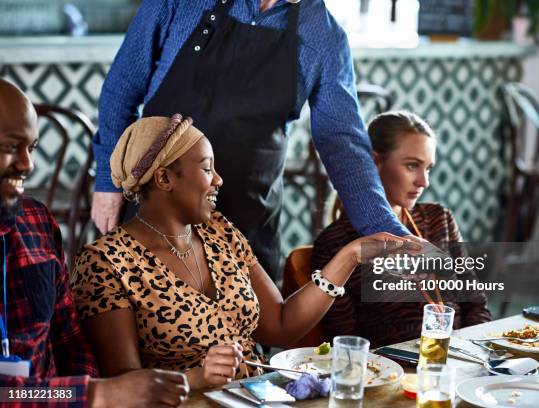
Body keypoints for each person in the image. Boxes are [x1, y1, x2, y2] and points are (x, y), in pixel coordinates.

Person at [72, 115, 417, 389]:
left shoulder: (219, 232)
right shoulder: (105, 263)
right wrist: (196, 378)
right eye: (207, 168)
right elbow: (122, 386)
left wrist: (350, 257)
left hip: (254, 398)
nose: (218, 180)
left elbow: (280, 326)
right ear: (164, 179)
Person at [91, 0, 412, 280]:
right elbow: (121, 91)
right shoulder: (180, 3)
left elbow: (342, 143)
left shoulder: (325, 36)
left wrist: (387, 232)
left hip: (247, 222)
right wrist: (108, 182)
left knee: (240, 343)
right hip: (157, 209)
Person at [0, 79, 189, 408]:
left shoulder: (37, 223)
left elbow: (71, 341)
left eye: (30, 148)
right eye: (9, 147)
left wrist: (87, 394)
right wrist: (95, 394)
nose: (27, 164)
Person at [312, 111, 492, 348]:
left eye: (428, 168)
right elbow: (345, 343)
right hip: (392, 371)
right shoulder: (337, 242)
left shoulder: (440, 218)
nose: (424, 181)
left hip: (461, 357)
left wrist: (474, 352)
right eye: (412, 166)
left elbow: (476, 304)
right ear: (374, 163)